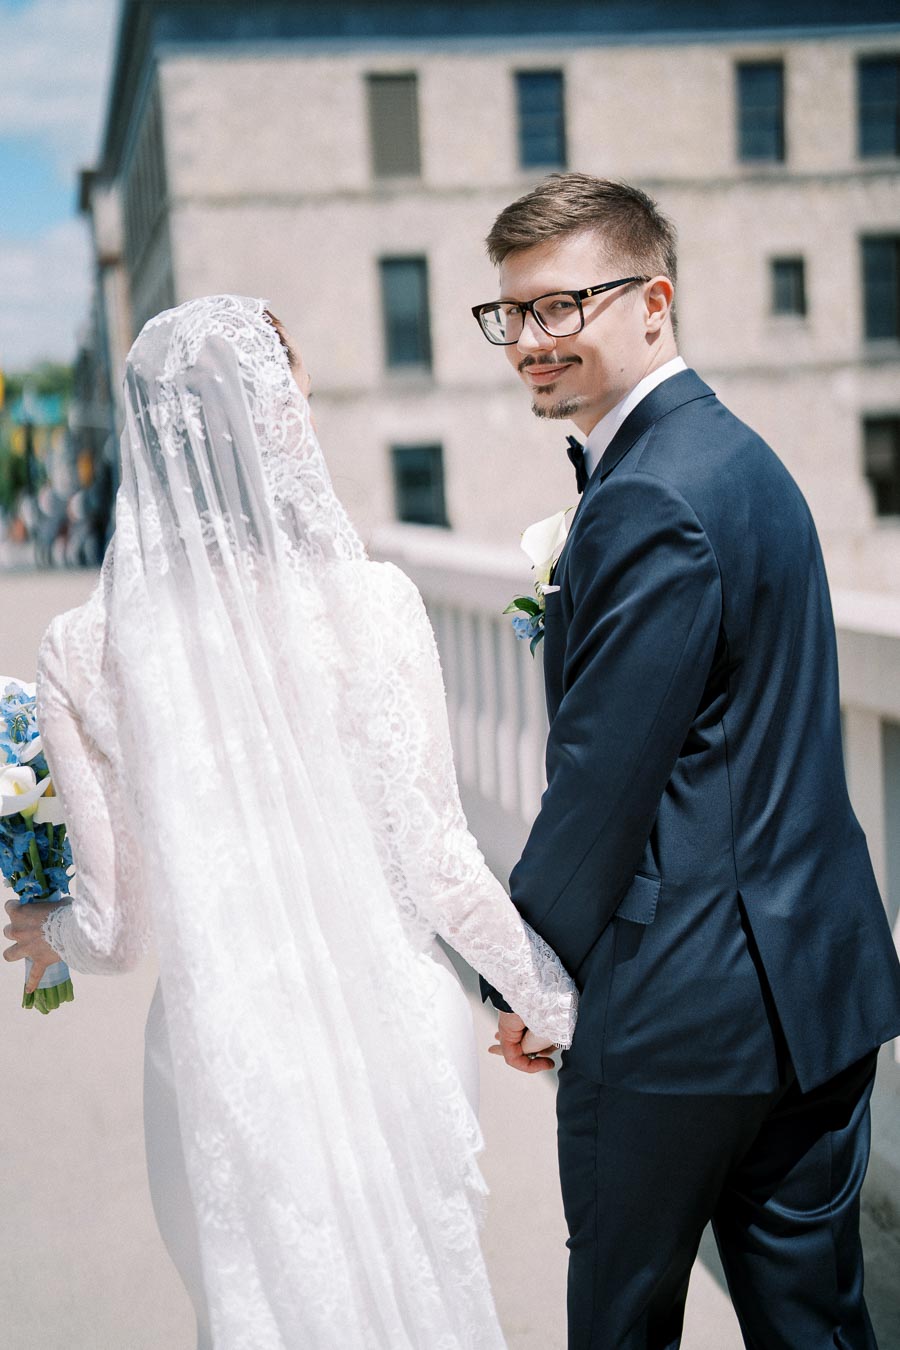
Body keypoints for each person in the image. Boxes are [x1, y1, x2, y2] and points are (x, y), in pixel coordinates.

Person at [3, 294, 577, 1350]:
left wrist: (45, 934)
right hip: (401, 1033)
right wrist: (554, 1002)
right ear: (277, 423)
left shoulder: (85, 652)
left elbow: (118, 930)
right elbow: (442, 863)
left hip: (232, 1058)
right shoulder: (377, 605)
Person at [472, 174, 900, 1349]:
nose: (528, 342)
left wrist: (519, 973)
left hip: (677, 1015)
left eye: (561, 307)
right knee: (816, 1328)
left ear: (653, 301)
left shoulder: (650, 492)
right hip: (816, 989)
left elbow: (604, 786)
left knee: (622, 1327)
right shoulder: (741, 458)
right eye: (509, 315)